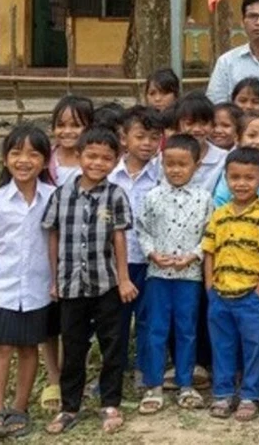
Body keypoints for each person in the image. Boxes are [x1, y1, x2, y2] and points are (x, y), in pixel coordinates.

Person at [42, 126, 137, 435]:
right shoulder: (62, 193)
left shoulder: (115, 195)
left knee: (112, 344)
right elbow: (53, 234)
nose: (97, 163)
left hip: (106, 283)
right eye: (91, 156)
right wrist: (55, 277)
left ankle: (110, 403)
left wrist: (123, 279)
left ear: (116, 159)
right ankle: (70, 406)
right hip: (71, 285)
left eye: (106, 158)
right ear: (79, 155)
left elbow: (118, 238)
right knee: (73, 345)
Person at [0, 125, 57, 439]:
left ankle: (20, 409)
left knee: (28, 347)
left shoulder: (53, 198)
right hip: (3, 288)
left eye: (34, 154)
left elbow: (55, 241)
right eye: (16, 153)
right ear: (5, 159)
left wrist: (56, 279)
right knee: (2, 346)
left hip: (39, 289)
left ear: (46, 161)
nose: (24, 160)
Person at [137, 134, 213, 414]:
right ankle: (154, 385)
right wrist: (152, 253)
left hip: (189, 276)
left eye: (182, 164)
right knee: (157, 329)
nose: (176, 170)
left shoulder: (204, 199)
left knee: (187, 329)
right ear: (162, 163)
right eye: (170, 164)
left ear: (197, 165)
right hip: (158, 275)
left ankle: (186, 384)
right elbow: (141, 229)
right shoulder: (153, 196)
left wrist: (194, 255)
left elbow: (209, 234)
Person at [203, 147, 259, 422]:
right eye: (235, 177)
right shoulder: (219, 214)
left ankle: (250, 395)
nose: (241, 183)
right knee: (222, 345)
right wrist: (209, 285)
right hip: (220, 293)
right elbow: (209, 250)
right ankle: (222, 393)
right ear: (226, 178)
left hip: (250, 295)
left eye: (249, 178)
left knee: (254, 346)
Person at [107, 105, 164, 385]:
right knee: (114, 323)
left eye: (154, 138)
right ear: (123, 137)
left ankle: (145, 369)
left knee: (147, 318)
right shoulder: (109, 176)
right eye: (140, 136)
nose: (147, 144)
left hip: (149, 260)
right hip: (114, 262)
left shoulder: (162, 175)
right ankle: (111, 373)